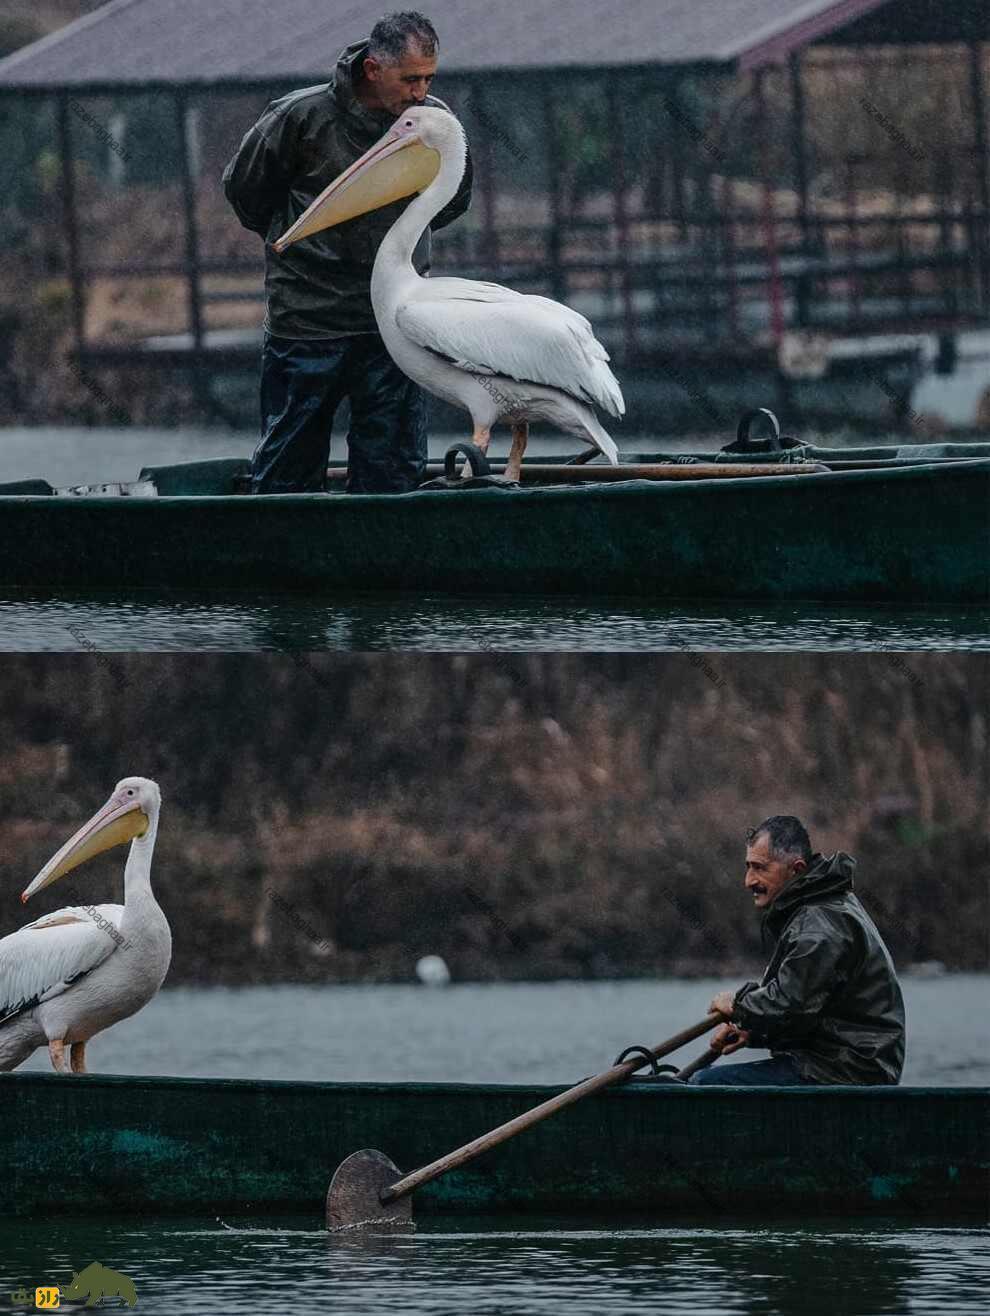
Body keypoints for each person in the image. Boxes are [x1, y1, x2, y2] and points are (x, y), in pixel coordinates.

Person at [222, 11, 473, 494]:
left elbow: (449, 203)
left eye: (428, 79)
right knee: (287, 468)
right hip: (307, 323)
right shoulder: (298, 118)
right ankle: (283, 557)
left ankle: (381, 562)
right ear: (374, 69)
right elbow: (246, 195)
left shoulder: (431, 123)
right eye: (409, 79)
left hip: (392, 328)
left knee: (393, 470)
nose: (420, 92)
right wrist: (312, 251)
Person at [691, 815, 905, 1086]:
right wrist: (752, 1034)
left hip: (849, 1071)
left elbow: (790, 1004)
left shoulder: (820, 924)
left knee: (705, 1085)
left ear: (797, 868)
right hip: (837, 1062)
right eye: (748, 867)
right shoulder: (822, 905)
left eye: (759, 868)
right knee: (698, 1082)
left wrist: (737, 1005)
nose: (748, 880)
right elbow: (811, 1012)